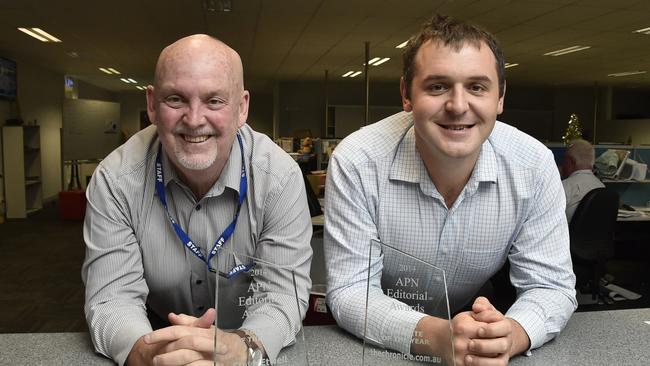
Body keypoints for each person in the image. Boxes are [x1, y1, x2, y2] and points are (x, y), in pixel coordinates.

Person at [324, 14, 577, 366]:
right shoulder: (358, 161)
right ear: (406, 95)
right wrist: (439, 337)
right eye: (437, 86)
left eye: (477, 87)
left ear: (500, 98)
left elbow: (550, 286)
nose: (458, 106)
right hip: (379, 346)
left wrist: (512, 334)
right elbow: (351, 291)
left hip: (472, 327)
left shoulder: (533, 165)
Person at [82, 34, 313, 366]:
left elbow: (282, 297)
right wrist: (148, 353)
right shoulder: (115, 180)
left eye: (214, 101)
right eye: (175, 99)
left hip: (247, 337)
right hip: (154, 334)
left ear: (242, 107)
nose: (194, 119)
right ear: (151, 105)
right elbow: (112, 298)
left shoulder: (280, 178)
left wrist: (244, 350)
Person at [561, 139, 605, 222]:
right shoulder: (601, 186)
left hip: (569, 234)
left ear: (571, 161)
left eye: (564, 161)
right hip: (597, 235)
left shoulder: (565, 187)